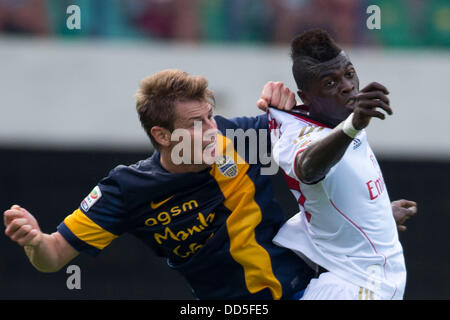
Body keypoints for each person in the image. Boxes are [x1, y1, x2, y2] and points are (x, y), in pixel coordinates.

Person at [3, 69, 317, 300]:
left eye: (210, 116)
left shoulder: (240, 137)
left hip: (304, 291)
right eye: (196, 124)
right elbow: (53, 256)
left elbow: (328, 120)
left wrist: (293, 105)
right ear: (162, 135)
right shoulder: (127, 189)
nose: (212, 130)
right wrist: (35, 242)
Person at [257, 29, 418, 300]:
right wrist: (353, 125)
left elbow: (333, 196)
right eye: (330, 83)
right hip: (353, 289)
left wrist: (378, 214)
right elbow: (309, 168)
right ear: (306, 96)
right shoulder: (298, 138)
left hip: (372, 284)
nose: (347, 86)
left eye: (349, 73)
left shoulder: (339, 119)